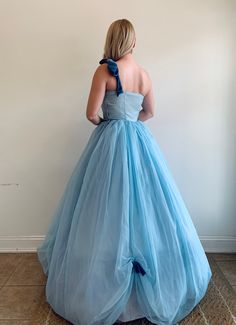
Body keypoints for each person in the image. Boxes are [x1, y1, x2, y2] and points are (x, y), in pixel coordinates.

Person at [37, 18, 212, 325]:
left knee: (104, 206)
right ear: (133, 42)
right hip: (139, 140)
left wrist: (108, 122)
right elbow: (150, 112)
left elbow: (91, 113)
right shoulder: (144, 75)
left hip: (108, 143)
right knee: (145, 204)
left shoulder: (104, 70)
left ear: (112, 40)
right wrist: (130, 123)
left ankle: (105, 271)